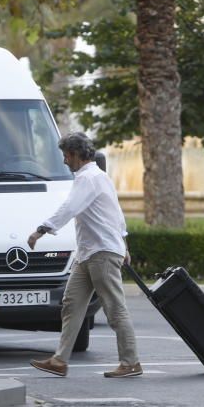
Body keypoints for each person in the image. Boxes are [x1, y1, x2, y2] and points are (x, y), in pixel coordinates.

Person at [28, 132, 142, 378]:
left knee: (115, 309)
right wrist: (124, 245)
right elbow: (117, 214)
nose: (64, 160)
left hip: (101, 252)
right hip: (89, 253)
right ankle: (59, 361)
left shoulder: (88, 178)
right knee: (71, 304)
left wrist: (41, 230)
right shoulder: (99, 177)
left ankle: (130, 362)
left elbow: (69, 208)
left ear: (76, 154)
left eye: (66, 155)